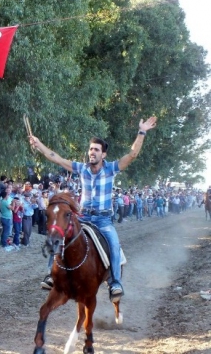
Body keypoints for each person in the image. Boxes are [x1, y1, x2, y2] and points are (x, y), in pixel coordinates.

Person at [30, 116, 157, 302]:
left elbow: (132, 155)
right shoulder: (81, 168)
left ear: (103, 154)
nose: (92, 152)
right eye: (91, 149)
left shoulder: (112, 168)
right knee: (57, 235)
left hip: (103, 220)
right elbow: (56, 158)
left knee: (114, 244)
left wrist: (142, 131)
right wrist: (39, 144)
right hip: (82, 217)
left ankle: (115, 283)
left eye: (96, 150)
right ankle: (52, 275)